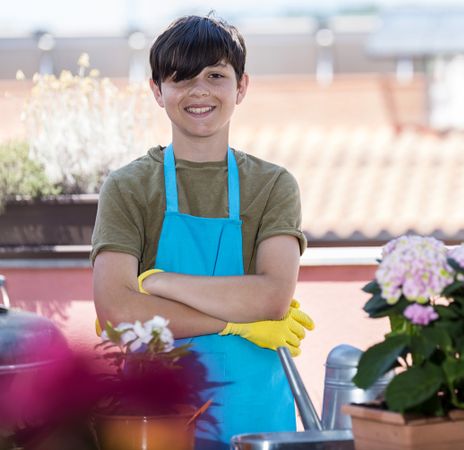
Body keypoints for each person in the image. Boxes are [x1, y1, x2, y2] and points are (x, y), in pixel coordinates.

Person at [91, 14, 314, 448]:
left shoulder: (271, 185)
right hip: (155, 418)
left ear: (241, 86)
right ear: (157, 90)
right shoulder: (129, 187)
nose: (199, 91)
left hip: (256, 418)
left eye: (216, 75)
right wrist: (235, 324)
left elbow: (272, 297)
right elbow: (117, 311)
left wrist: (158, 283)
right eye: (181, 77)